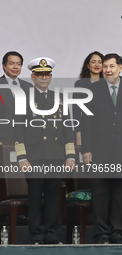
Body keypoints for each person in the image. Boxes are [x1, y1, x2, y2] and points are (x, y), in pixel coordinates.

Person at [14, 57, 75, 244]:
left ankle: (52, 235)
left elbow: (67, 129)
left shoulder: (60, 99)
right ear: (32, 77)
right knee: (35, 198)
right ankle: (36, 236)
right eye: (39, 75)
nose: (43, 78)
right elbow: (18, 129)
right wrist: (21, 157)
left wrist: (70, 155)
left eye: (47, 74)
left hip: (55, 156)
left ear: (51, 77)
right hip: (33, 157)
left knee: (54, 198)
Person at [82, 53, 122, 244]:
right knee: (99, 193)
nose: (107, 70)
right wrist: (86, 149)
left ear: (120, 68)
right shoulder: (94, 89)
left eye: (111, 66)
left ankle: (117, 232)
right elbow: (86, 121)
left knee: (119, 193)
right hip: (98, 150)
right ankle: (102, 234)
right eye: (105, 67)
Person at [0, 51, 32, 150]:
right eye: (11, 63)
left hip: (25, 142)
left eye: (18, 64)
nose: (15, 67)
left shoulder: (28, 87)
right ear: (4, 66)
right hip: (2, 142)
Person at [73, 51, 103, 145]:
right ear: (88, 65)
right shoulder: (80, 84)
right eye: (93, 62)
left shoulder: (109, 84)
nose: (97, 64)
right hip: (87, 130)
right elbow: (76, 112)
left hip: (106, 131)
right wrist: (78, 136)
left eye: (100, 62)